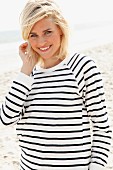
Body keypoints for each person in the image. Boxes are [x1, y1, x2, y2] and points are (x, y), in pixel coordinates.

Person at [0, 0, 112, 169]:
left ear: (60, 29)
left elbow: (102, 128)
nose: (41, 42)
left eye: (47, 32)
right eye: (33, 35)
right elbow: (6, 119)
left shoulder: (82, 67)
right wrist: (25, 72)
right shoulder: (27, 77)